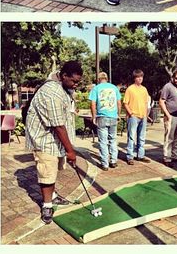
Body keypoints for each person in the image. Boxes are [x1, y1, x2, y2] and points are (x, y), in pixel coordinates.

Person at [25, 60, 83, 224]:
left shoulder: (64, 86)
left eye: (78, 82)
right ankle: (47, 205)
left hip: (55, 139)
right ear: (64, 76)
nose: (76, 85)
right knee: (47, 173)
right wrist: (70, 151)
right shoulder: (51, 92)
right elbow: (58, 125)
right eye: (74, 81)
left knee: (54, 170)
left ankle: (54, 196)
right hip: (44, 140)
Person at [89, 72, 121, 170]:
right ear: (107, 78)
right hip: (113, 116)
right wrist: (118, 115)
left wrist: (94, 116)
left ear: (98, 79)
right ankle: (113, 161)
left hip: (101, 117)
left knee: (103, 141)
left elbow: (93, 104)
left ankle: (105, 164)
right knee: (113, 139)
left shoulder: (96, 88)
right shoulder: (114, 88)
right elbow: (119, 103)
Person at [159, 69, 177, 167]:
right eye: (176, 78)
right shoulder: (167, 87)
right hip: (171, 115)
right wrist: (167, 114)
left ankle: (175, 156)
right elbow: (161, 101)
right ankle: (167, 158)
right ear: (173, 77)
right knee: (169, 138)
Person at [123, 69, 151, 164]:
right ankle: (130, 157)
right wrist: (131, 113)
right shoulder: (130, 89)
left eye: (141, 77)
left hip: (143, 116)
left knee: (142, 137)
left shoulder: (144, 89)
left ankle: (140, 155)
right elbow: (125, 103)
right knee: (131, 137)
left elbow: (146, 102)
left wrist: (146, 115)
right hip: (134, 116)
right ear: (135, 78)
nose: (140, 79)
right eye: (138, 77)